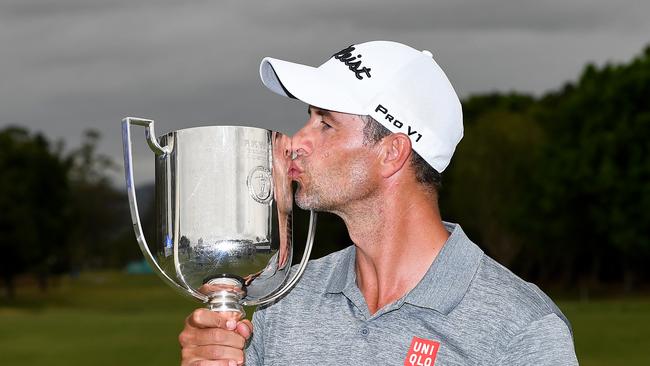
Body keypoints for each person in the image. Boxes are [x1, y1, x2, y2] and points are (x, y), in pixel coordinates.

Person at [178, 41, 579, 365]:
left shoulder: (521, 329)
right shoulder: (284, 300)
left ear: (392, 152)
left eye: (325, 123)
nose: (297, 142)